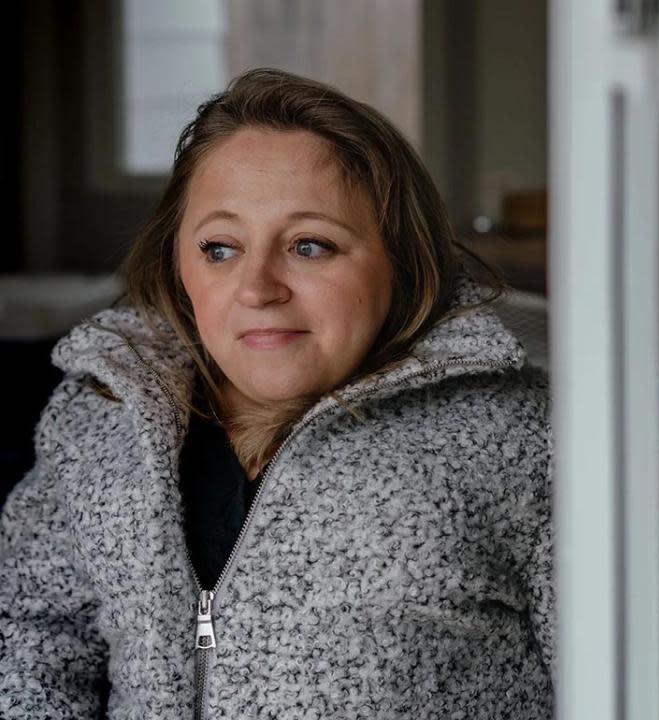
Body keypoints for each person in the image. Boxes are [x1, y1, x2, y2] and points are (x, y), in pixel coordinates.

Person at [0, 68, 553, 719]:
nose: (258, 288)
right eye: (221, 248)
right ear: (178, 264)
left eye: (310, 245)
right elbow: (30, 632)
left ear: (404, 264)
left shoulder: (519, 443)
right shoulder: (104, 418)